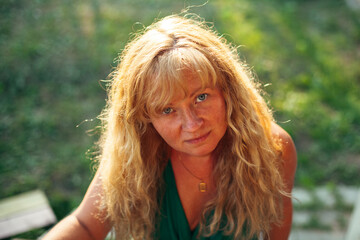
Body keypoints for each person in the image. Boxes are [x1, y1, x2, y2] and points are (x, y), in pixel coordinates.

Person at [44, 14, 297, 240]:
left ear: (227, 91)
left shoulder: (272, 148)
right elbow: (86, 226)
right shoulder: (135, 154)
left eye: (201, 97)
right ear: (144, 117)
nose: (192, 124)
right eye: (167, 110)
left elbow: (279, 217)